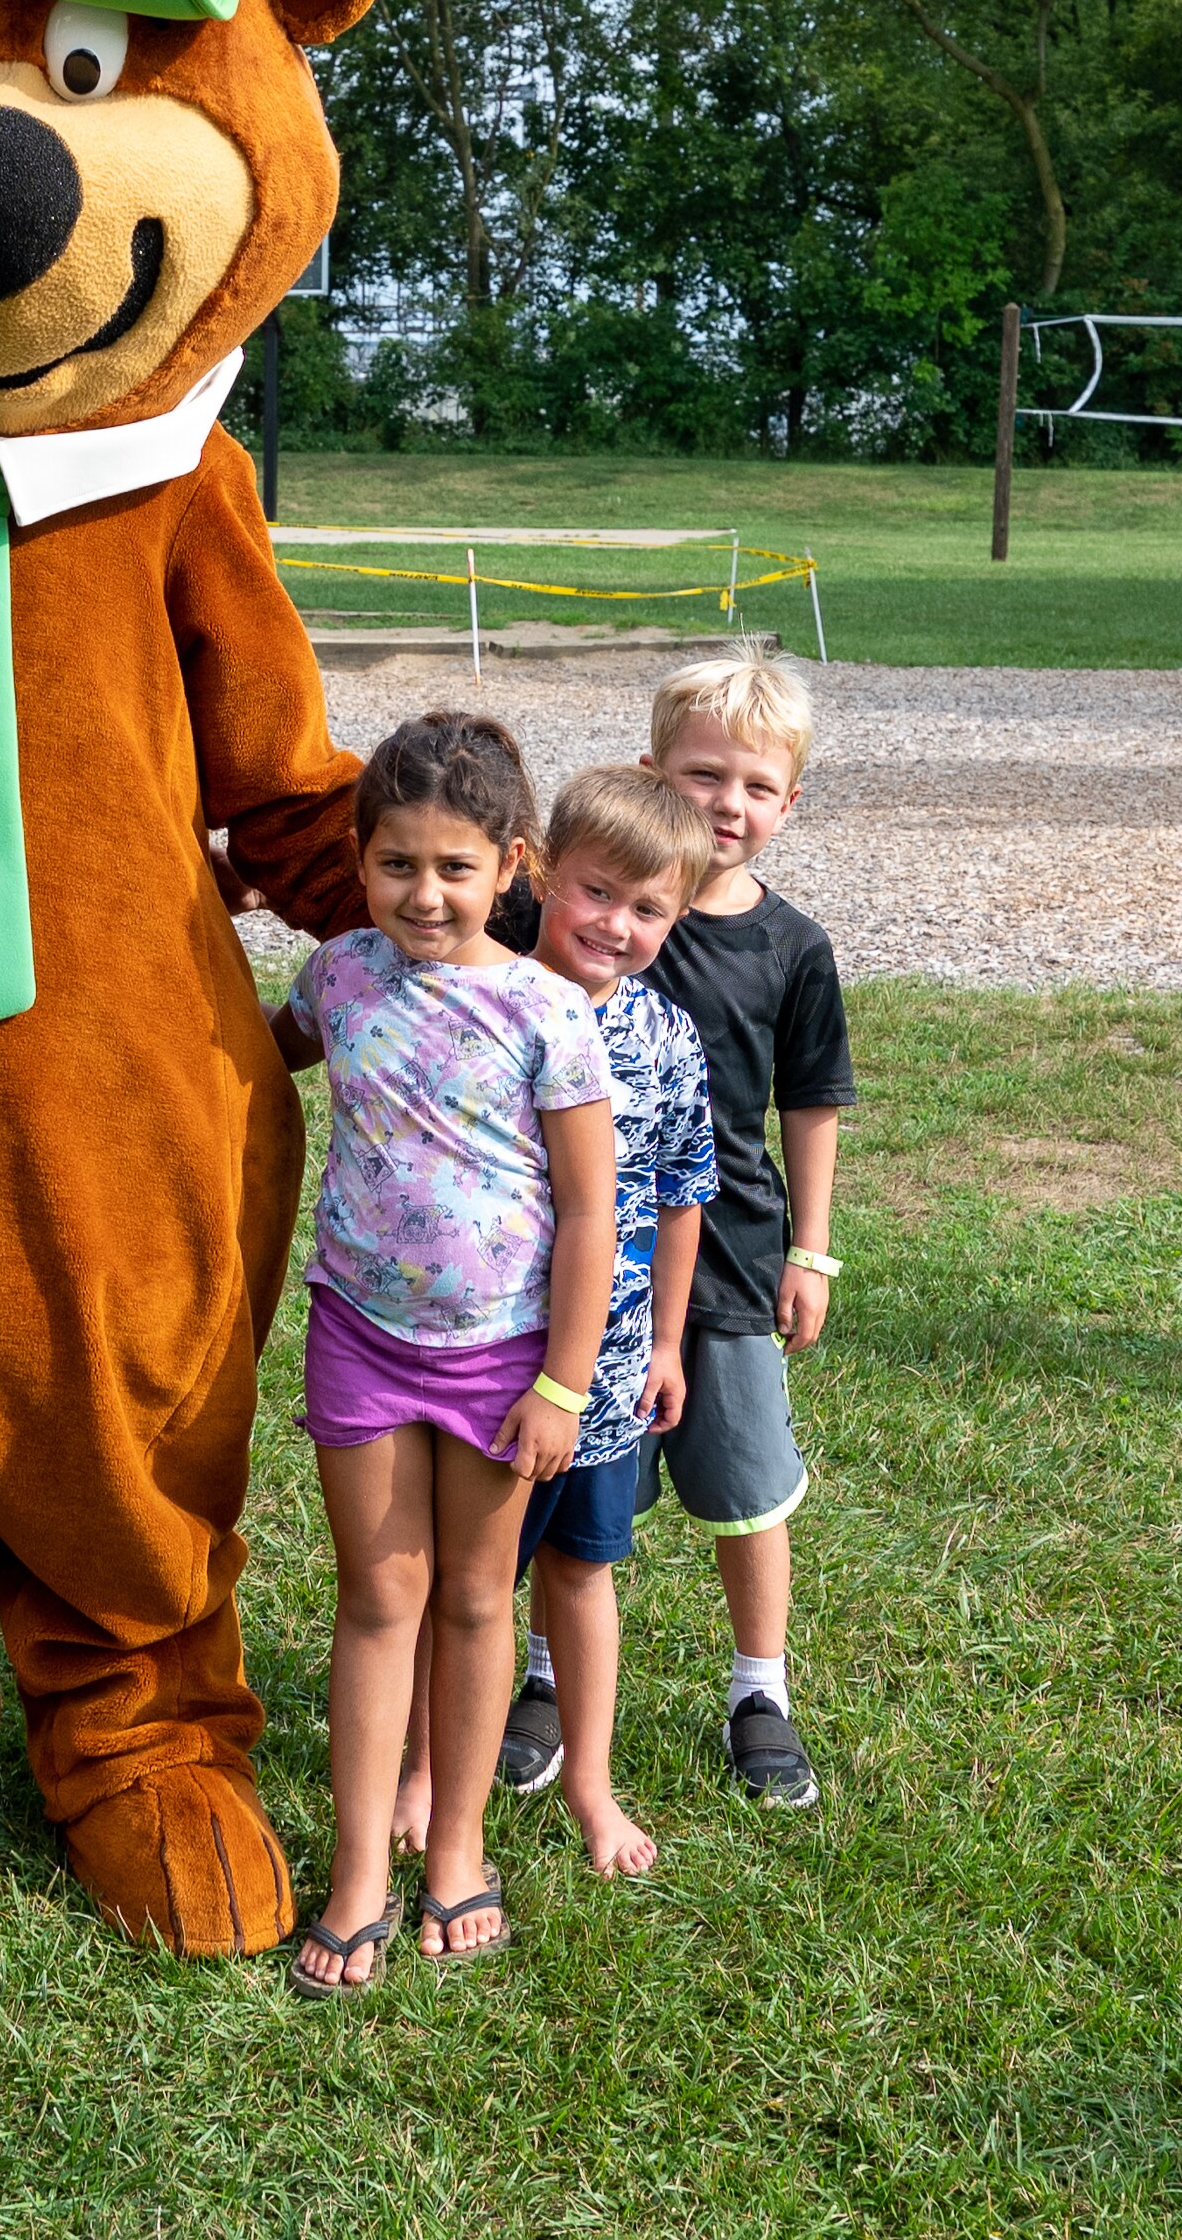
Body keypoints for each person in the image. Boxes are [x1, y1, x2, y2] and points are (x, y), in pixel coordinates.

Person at [269, 713, 617, 1995]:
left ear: (511, 864)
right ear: (358, 861)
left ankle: (456, 1850)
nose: (424, 893)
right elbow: (253, 1063)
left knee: (474, 1600)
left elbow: (592, 1211)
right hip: (358, 1340)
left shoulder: (548, 1012)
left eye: (454, 867)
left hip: (500, 1362)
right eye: (396, 863)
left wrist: (563, 1383)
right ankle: (361, 1863)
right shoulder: (337, 976)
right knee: (376, 1599)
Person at [635, 651, 854, 1811]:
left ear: (788, 803)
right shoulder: (594, 912)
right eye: (701, 772)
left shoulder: (791, 945)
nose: (727, 802)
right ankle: (541, 1671)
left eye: (756, 785)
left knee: (750, 1489)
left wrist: (810, 1249)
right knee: (578, 1498)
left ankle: (759, 1688)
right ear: (648, 772)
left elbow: (808, 1099)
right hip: (591, 1266)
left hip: (729, 1265)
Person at [495, 766, 719, 1877]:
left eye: (648, 910)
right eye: (596, 893)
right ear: (538, 872)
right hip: (481, 1358)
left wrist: (668, 1341)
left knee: (581, 1570)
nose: (616, 925)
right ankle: (432, 1769)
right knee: (471, 1582)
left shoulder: (670, 1038)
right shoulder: (483, 997)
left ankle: (590, 1777)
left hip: (611, 1362)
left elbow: (683, 1193)